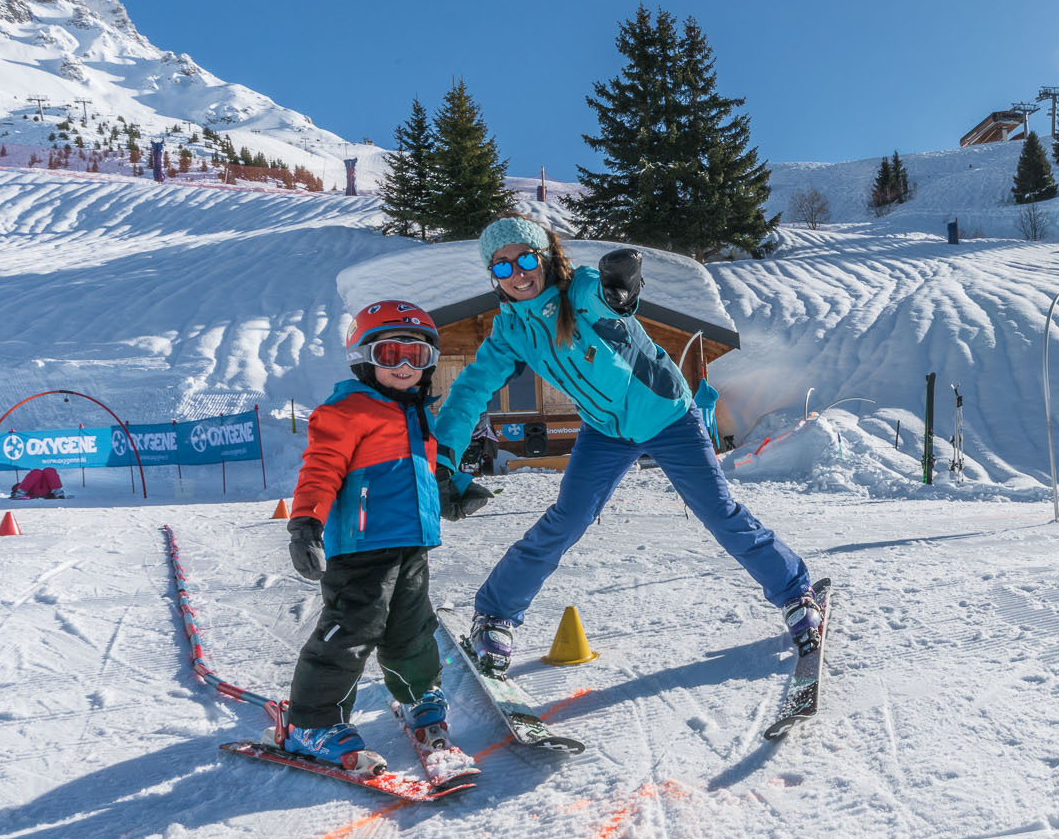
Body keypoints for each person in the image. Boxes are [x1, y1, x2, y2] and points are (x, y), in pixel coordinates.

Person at [433, 215, 819, 672]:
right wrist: (443, 454)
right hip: (605, 431)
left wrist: (620, 288)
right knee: (568, 518)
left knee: (718, 510)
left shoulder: (580, 291)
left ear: (545, 257)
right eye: (501, 267)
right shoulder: (511, 331)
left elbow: (605, 299)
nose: (517, 274)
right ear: (492, 275)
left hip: (669, 417)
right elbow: (470, 390)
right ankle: (495, 614)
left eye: (525, 259)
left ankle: (796, 593)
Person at [277, 299, 487, 773]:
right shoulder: (347, 410)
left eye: (419, 357)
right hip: (362, 547)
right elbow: (320, 468)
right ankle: (312, 720)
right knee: (352, 630)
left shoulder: (415, 413)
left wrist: (448, 494)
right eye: (393, 355)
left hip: (411, 542)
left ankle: (418, 695)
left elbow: (422, 472)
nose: (407, 367)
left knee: (411, 626)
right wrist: (306, 522)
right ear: (364, 357)